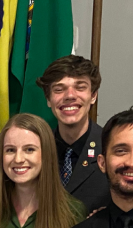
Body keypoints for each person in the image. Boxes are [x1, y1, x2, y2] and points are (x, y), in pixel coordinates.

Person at [36, 55, 109, 212]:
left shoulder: (111, 148)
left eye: (80, 87)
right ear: (48, 99)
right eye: (59, 89)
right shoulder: (36, 149)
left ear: (93, 96)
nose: (70, 95)